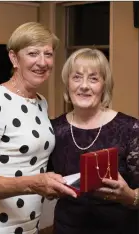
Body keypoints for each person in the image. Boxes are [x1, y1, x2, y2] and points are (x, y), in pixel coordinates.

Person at [0, 22, 76, 234]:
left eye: (48, 54)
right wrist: (34, 184)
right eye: (33, 53)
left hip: (29, 225)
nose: (42, 62)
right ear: (14, 58)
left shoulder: (40, 102)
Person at [47, 48, 139, 234]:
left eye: (93, 78)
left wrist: (129, 196)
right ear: (67, 84)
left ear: (104, 85)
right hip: (67, 228)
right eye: (77, 77)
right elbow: (44, 182)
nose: (84, 86)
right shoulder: (53, 129)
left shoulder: (130, 129)